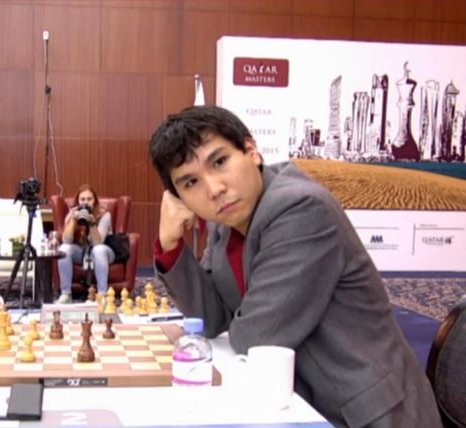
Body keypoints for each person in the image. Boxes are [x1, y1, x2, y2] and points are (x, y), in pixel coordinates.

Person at [149, 106, 441, 427]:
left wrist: (237, 321)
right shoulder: (227, 221)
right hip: (302, 400)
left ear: (251, 150)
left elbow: (257, 338)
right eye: (191, 182)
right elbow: (211, 318)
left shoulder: (300, 208)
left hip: (368, 413)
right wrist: (170, 246)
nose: (214, 189)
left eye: (220, 162)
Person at [55, 185, 115, 303]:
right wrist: (73, 221)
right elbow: (66, 240)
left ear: (95, 201)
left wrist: (92, 224)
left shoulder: (104, 214)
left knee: (98, 250)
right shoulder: (72, 213)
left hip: (104, 252)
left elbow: (98, 243)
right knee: (64, 249)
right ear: (78, 201)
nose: (86, 202)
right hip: (82, 252)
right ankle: (66, 294)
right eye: (82, 199)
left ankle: (102, 295)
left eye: (89, 199)